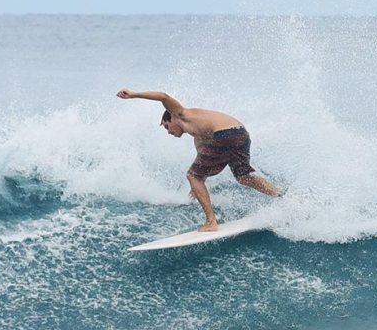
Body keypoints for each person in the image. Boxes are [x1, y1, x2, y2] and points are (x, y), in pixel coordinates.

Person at [116, 88, 281, 231]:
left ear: (171, 118)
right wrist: (193, 192)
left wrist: (133, 94)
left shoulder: (180, 114)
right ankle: (281, 196)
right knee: (243, 177)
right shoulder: (199, 135)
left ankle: (211, 222)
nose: (168, 132)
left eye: (167, 126)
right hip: (241, 134)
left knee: (192, 175)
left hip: (225, 133)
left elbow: (163, 96)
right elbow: (203, 170)